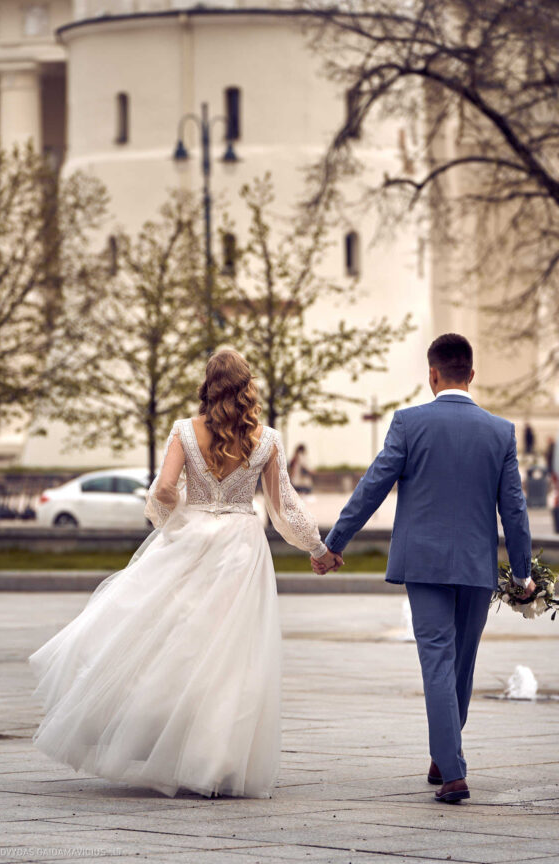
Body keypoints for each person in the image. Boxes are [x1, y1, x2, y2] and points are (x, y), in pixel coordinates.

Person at [28, 349, 327, 799]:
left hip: (195, 539)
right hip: (242, 547)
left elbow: (164, 490)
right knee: (230, 653)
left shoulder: (186, 432)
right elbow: (284, 509)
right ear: (247, 386)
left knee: (175, 639)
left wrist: (172, 522)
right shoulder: (267, 439)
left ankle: (159, 739)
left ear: (208, 385)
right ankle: (216, 760)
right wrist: (318, 549)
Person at [311, 333, 534, 804]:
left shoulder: (408, 423)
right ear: (471, 374)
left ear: (432, 374)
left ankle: (450, 768)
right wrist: (521, 574)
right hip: (476, 566)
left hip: (424, 563)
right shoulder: (500, 432)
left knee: (438, 659)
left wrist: (333, 544)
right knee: (462, 666)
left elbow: (373, 486)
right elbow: (514, 509)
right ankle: (447, 758)